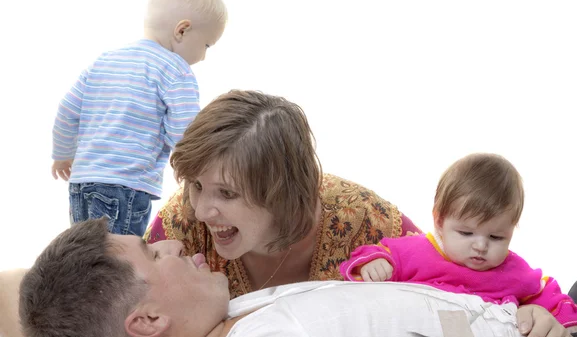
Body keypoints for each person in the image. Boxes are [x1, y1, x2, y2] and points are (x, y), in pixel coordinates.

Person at [17, 219, 577, 337]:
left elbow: (9, 288)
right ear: (145, 321)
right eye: (151, 252)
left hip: (548, 332)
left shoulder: (209, 334)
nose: (169, 241)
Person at [143, 89, 422, 298]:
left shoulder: (368, 222)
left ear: (282, 192)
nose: (202, 211)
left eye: (227, 193)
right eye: (196, 185)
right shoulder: (179, 225)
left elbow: (457, 301)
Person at [51, 0, 227, 236]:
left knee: (86, 260)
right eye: (206, 45)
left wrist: (63, 154)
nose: (202, 57)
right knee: (122, 265)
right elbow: (185, 133)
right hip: (126, 186)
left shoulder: (105, 60)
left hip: (81, 181)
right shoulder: (175, 71)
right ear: (182, 30)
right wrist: (200, 170)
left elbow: (67, 109)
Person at [340, 153, 577, 334]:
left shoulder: (513, 270)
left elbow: (547, 293)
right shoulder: (413, 251)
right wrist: (374, 263)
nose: (481, 246)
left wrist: (571, 326)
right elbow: (375, 255)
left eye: (496, 237)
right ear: (439, 221)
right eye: (466, 233)